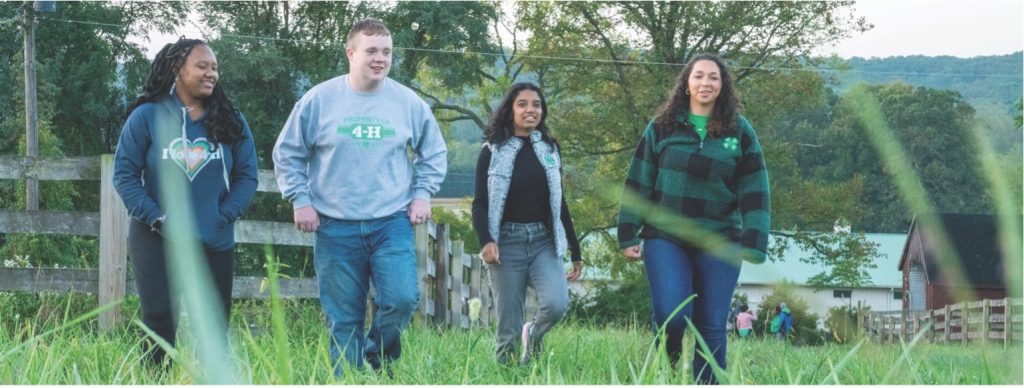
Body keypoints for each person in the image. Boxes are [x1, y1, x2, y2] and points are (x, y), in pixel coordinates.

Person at [272, 18, 447, 376]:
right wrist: (300, 199)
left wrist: (423, 194)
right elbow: (288, 152)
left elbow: (434, 151)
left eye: (386, 52)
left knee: (401, 299)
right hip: (335, 226)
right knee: (343, 317)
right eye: (371, 51)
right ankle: (348, 379)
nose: (380, 58)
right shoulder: (319, 100)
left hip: (390, 221)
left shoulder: (407, 103)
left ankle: (378, 359)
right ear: (351, 53)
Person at [616, 53, 771, 384]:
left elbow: (754, 185)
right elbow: (638, 180)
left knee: (712, 322)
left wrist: (754, 240)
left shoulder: (736, 132)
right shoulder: (662, 128)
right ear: (686, 84)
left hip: (720, 238)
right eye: (699, 76)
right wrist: (628, 232)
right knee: (674, 315)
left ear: (722, 86)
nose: (706, 83)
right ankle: (667, 371)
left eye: (713, 77)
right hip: (665, 236)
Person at [113, 37, 259, 366]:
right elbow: (124, 175)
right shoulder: (147, 116)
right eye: (203, 66)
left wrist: (224, 215)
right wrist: (158, 218)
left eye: (215, 68)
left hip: (213, 238)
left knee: (213, 326)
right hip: (155, 237)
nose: (212, 74)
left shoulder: (231, 120)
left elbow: (248, 175)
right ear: (178, 69)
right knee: (159, 322)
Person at [471, 83, 584, 365]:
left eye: (536, 105)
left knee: (557, 304)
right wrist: (486, 240)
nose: (530, 110)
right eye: (522, 104)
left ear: (542, 111)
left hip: (544, 240)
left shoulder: (550, 150)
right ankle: (509, 377)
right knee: (507, 327)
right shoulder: (492, 150)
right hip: (505, 243)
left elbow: (560, 202)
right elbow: (480, 203)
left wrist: (575, 249)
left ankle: (532, 335)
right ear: (510, 109)